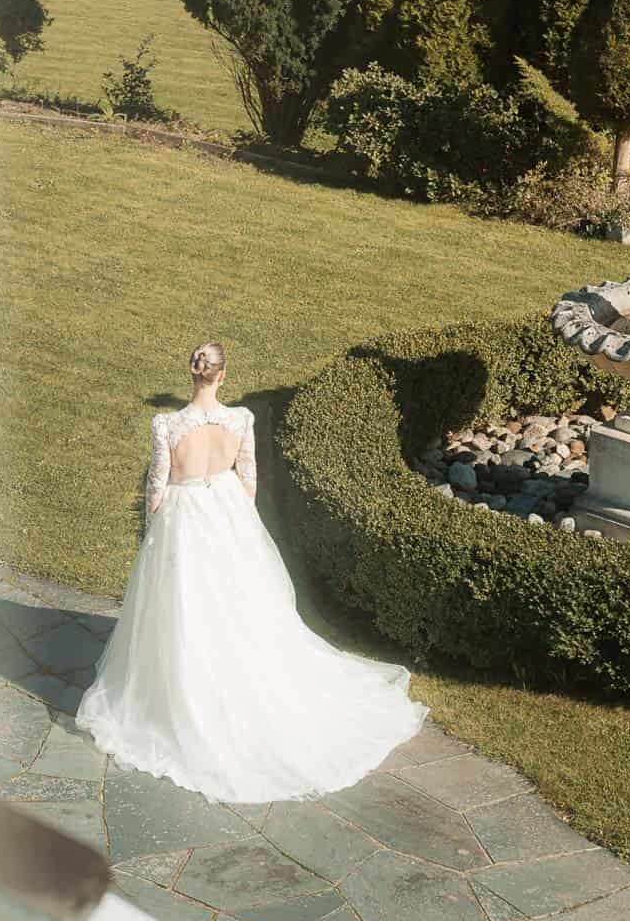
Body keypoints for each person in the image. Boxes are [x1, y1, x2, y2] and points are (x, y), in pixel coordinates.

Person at [76, 342, 426, 803]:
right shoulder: (241, 419)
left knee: (183, 604)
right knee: (238, 601)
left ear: (193, 373)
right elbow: (250, 478)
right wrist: (235, 520)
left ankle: (188, 687)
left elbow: (157, 485)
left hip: (184, 515)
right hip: (226, 511)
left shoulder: (167, 424)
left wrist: (151, 533)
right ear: (222, 375)